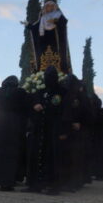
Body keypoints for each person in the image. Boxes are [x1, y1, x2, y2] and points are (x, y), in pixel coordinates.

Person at [24, 66, 65, 195]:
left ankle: (53, 186)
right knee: (36, 156)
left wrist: (63, 131)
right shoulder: (40, 92)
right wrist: (35, 106)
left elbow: (65, 112)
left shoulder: (62, 92)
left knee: (52, 157)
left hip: (53, 130)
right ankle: (35, 184)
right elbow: (30, 106)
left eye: (51, 76)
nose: (48, 78)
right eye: (47, 76)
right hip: (39, 130)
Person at [26, 0, 72, 74]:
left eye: (51, 6)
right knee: (43, 60)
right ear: (45, 7)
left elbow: (63, 23)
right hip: (44, 44)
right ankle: (41, 73)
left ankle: (60, 72)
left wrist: (55, 21)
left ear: (55, 6)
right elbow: (36, 28)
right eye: (47, 6)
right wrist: (29, 25)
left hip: (56, 43)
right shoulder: (43, 17)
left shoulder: (58, 15)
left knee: (58, 59)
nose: (49, 7)